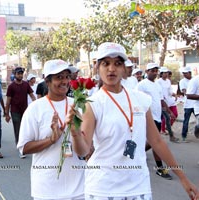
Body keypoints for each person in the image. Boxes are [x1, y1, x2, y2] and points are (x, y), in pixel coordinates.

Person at [66, 42, 199, 200]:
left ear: (124, 68)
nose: (111, 69)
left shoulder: (141, 100)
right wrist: (75, 133)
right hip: (103, 188)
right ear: (97, 68)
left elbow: (157, 141)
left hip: (138, 187)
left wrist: (183, 178)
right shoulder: (92, 103)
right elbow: (83, 151)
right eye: (105, 63)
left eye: (117, 63)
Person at [17, 59, 85, 200]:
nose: (65, 81)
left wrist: (78, 134)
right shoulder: (35, 109)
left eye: (67, 76)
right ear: (47, 81)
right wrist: (51, 140)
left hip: (79, 188)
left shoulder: (78, 106)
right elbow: (24, 148)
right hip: (47, 189)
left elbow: (89, 146)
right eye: (59, 77)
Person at [5, 67, 36, 158]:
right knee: (18, 130)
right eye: (18, 74)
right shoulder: (11, 86)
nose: (20, 75)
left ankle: (23, 144)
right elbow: (8, 101)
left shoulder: (26, 84)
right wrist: (6, 114)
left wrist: (37, 104)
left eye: (21, 73)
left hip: (25, 111)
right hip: (15, 111)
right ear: (14, 75)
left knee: (25, 129)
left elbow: (32, 96)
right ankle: (20, 148)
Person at [156, 67, 179, 142]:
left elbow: (169, 91)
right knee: (160, 119)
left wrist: (174, 94)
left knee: (167, 118)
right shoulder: (158, 82)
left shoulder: (168, 81)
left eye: (167, 73)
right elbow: (159, 94)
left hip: (167, 102)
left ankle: (170, 136)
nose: (166, 74)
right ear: (161, 74)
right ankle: (158, 136)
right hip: (160, 102)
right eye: (164, 73)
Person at [179, 66, 195, 142]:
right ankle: (184, 136)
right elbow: (184, 91)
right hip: (188, 104)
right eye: (183, 73)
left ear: (190, 73)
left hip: (196, 104)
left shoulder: (195, 80)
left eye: (186, 73)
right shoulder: (182, 81)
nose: (184, 75)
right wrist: (190, 94)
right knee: (186, 121)